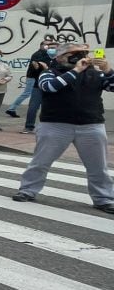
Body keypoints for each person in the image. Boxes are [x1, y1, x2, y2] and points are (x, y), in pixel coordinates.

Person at [13, 43, 114, 213]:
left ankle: (104, 199)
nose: (79, 57)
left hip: (91, 124)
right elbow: (50, 87)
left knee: (98, 166)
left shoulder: (95, 74)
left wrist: (109, 70)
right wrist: (75, 71)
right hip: (55, 125)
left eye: (82, 53)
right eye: (72, 54)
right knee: (41, 162)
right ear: (58, 57)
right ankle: (27, 191)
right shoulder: (49, 73)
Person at [9, 41, 57, 134]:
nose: (51, 49)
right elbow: (35, 70)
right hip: (38, 85)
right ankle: (29, 127)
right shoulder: (40, 57)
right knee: (33, 106)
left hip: (53, 87)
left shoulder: (60, 60)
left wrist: (47, 68)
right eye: (49, 47)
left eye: (54, 48)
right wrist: (39, 67)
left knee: (50, 108)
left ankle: (47, 127)